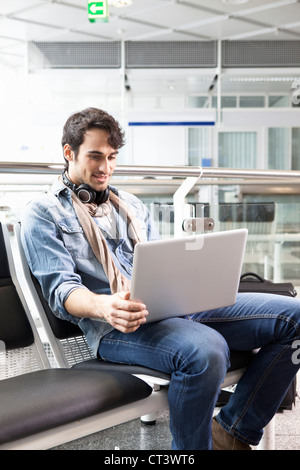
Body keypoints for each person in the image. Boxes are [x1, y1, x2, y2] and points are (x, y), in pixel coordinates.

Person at [21, 107, 300, 450]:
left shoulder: (132, 205)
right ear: (69, 153)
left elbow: (155, 266)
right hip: (114, 328)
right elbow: (61, 290)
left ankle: (232, 430)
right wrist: (105, 306)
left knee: (295, 315)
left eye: (112, 157)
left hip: (171, 309)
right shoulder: (43, 212)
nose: (105, 168)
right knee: (206, 350)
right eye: (95, 156)